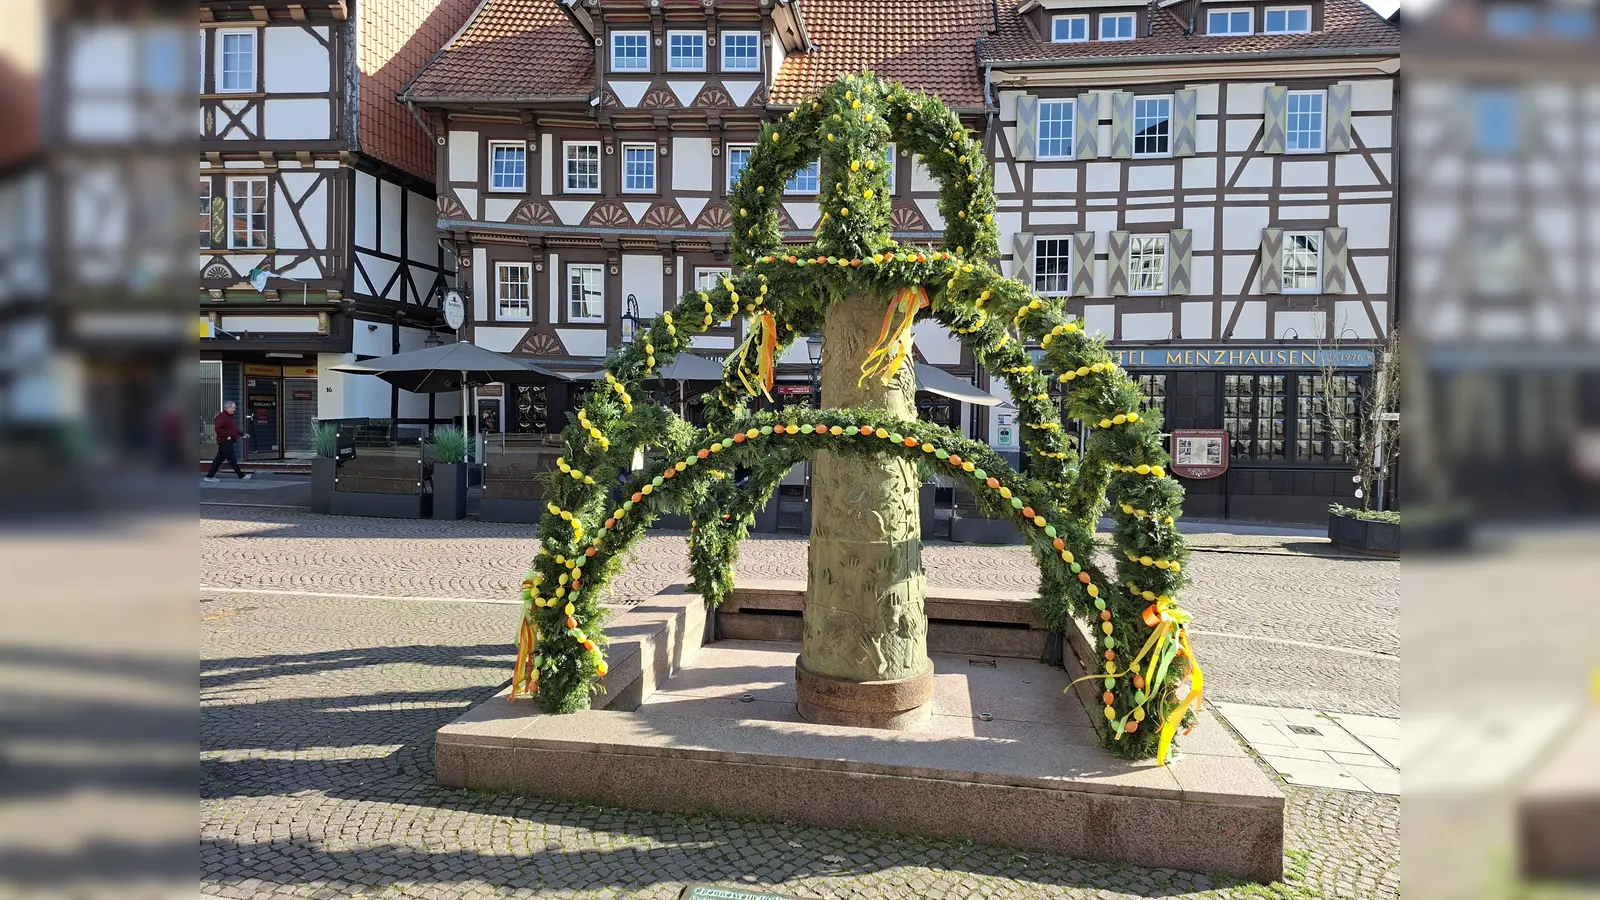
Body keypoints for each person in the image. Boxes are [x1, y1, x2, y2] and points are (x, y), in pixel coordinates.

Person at [204, 401, 252, 482]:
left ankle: (209, 476)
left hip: (227, 441)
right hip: (225, 441)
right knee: (231, 458)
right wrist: (227, 436)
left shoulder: (230, 417)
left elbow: (233, 429)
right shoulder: (222, 417)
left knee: (218, 460)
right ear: (227, 408)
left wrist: (242, 434)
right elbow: (218, 428)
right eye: (233, 408)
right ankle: (241, 475)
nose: (235, 410)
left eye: (235, 408)